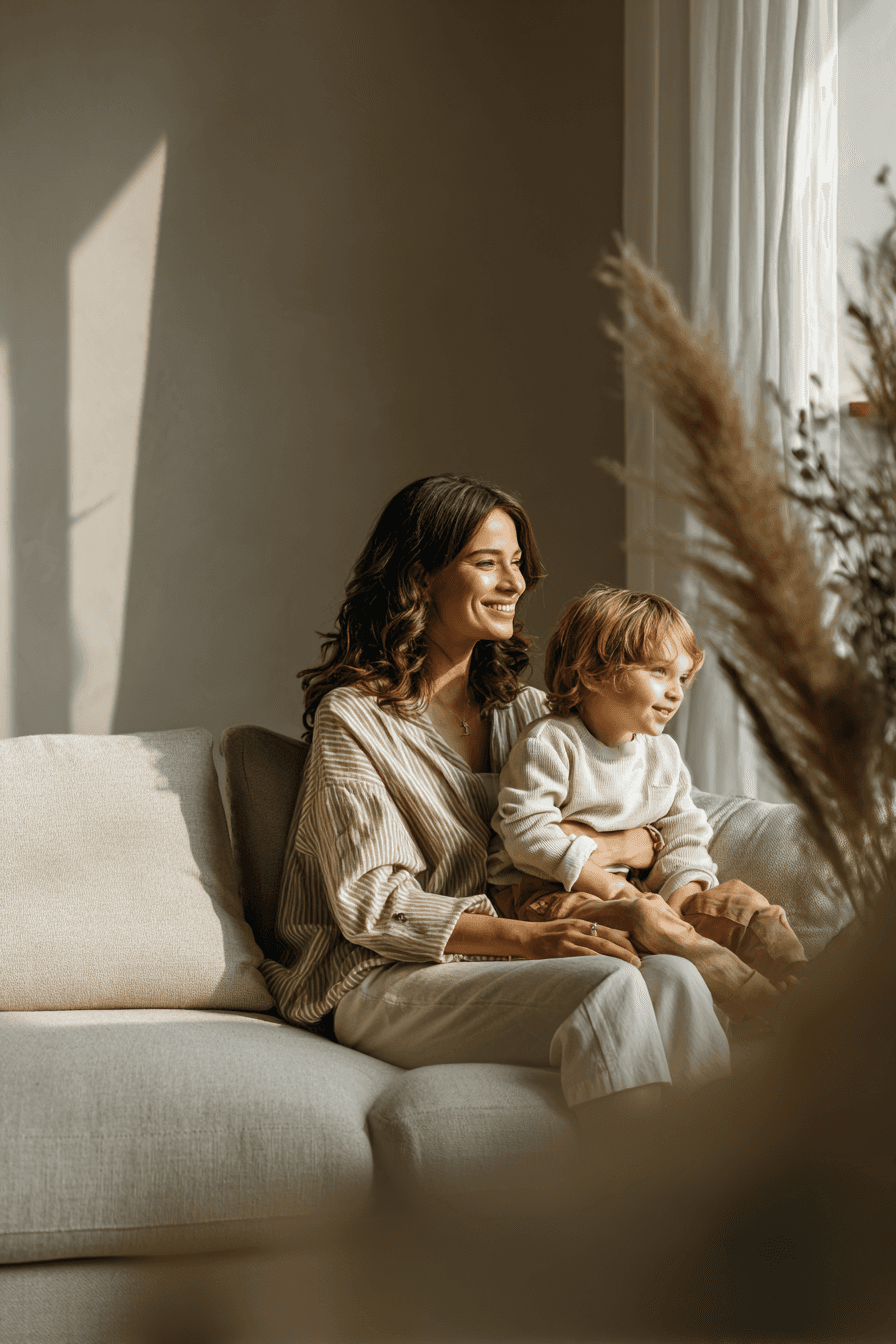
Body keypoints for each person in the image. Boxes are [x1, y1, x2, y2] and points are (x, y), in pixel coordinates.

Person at [263, 476, 731, 1122]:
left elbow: (644, 826)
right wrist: (535, 938)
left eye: (516, 563)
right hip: (385, 976)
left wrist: (636, 845)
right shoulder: (356, 719)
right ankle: (642, 1204)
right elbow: (374, 907)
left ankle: (734, 1194)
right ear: (420, 577)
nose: (514, 582)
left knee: (677, 978)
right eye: (486, 563)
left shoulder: (532, 714)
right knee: (606, 988)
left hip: (507, 951)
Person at [488, 585, 808, 1025]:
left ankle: (806, 986)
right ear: (594, 673)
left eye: (682, 678)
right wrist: (615, 889)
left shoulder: (663, 756)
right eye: (659, 672)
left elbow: (686, 832)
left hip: (636, 892)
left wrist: (684, 896)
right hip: (541, 900)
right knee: (643, 914)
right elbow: (526, 834)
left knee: (742, 903)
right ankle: (756, 1001)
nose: (676, 692)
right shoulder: (551, 742)